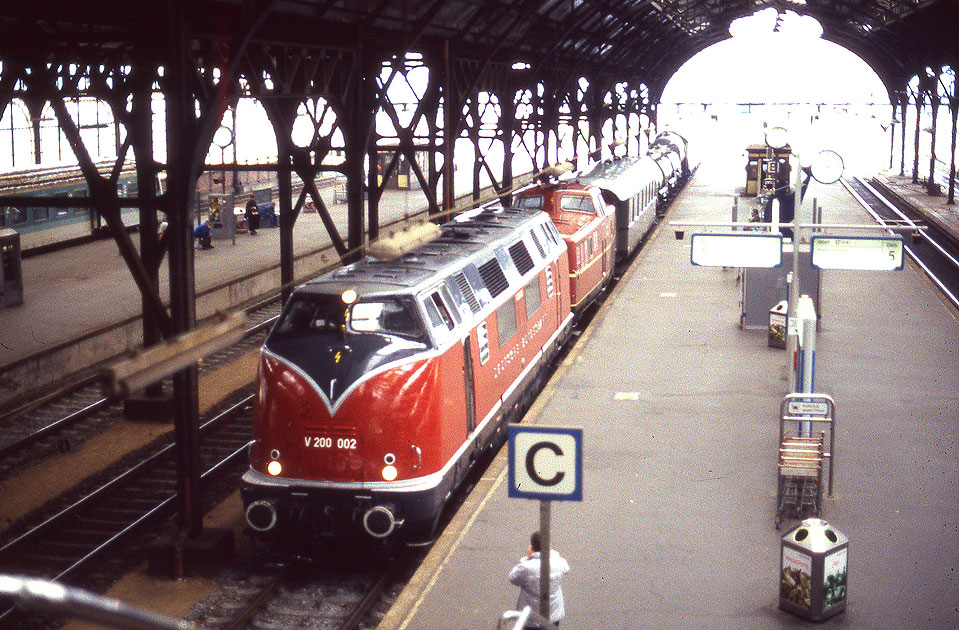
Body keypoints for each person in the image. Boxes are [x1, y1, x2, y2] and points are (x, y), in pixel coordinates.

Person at [508, 531, 570, 628]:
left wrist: (527, 558)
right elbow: (566, 569)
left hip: (531, 617)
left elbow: (513, 577)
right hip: (553, 615)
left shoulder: (526, 567)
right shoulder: (559, 562)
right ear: (549, 546)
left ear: (532, 547)